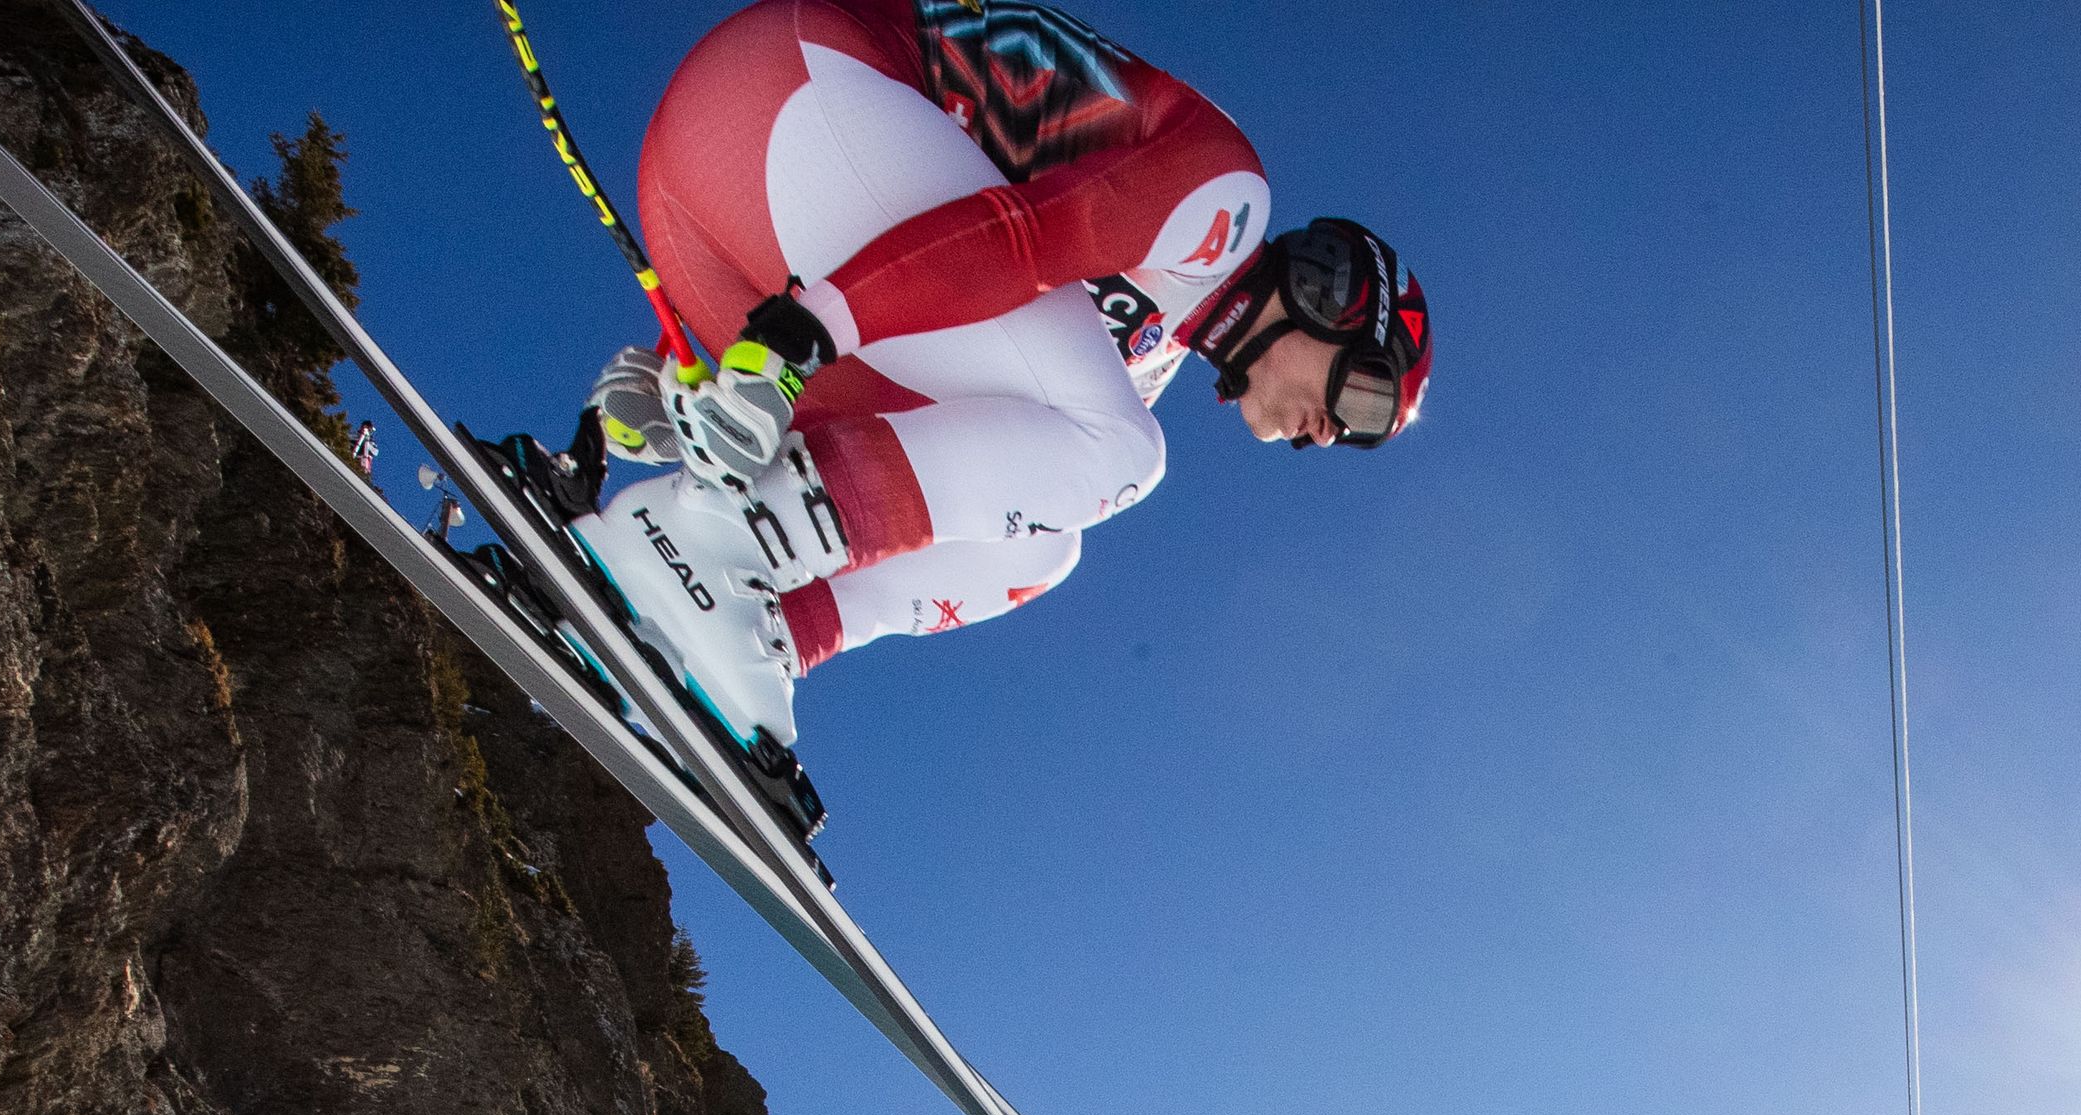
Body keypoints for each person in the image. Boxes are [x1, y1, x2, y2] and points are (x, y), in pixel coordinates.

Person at [524, 0, 1430, 782]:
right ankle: (704, 542)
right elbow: (1028, 236)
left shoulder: (1137, 364)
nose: (1327, 437)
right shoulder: (1225, 210)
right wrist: (805, 338)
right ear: (1333, 293)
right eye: (1359, 405)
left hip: (727, 230)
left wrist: (695, 387)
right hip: (789, 95)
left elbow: (900, 429)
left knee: (1037, 547)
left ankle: (723, 632)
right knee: (1114, 454)